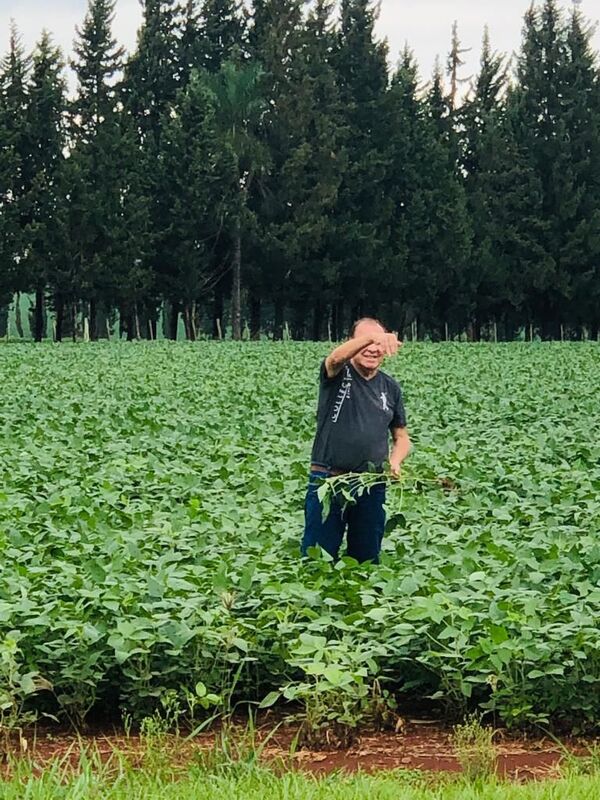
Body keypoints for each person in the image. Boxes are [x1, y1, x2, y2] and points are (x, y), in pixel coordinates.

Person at [301, 317, 411, 564]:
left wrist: (395, 461)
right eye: (366, 342)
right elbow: (335, 358)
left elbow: (401, 437)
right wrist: (373, 337)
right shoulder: (338, 373)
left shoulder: (390, 387)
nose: (373, 348)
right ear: (353, 342)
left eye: (379, 343)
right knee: (318, 558)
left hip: (371, 483)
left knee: (366, 560)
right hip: (329, 479)